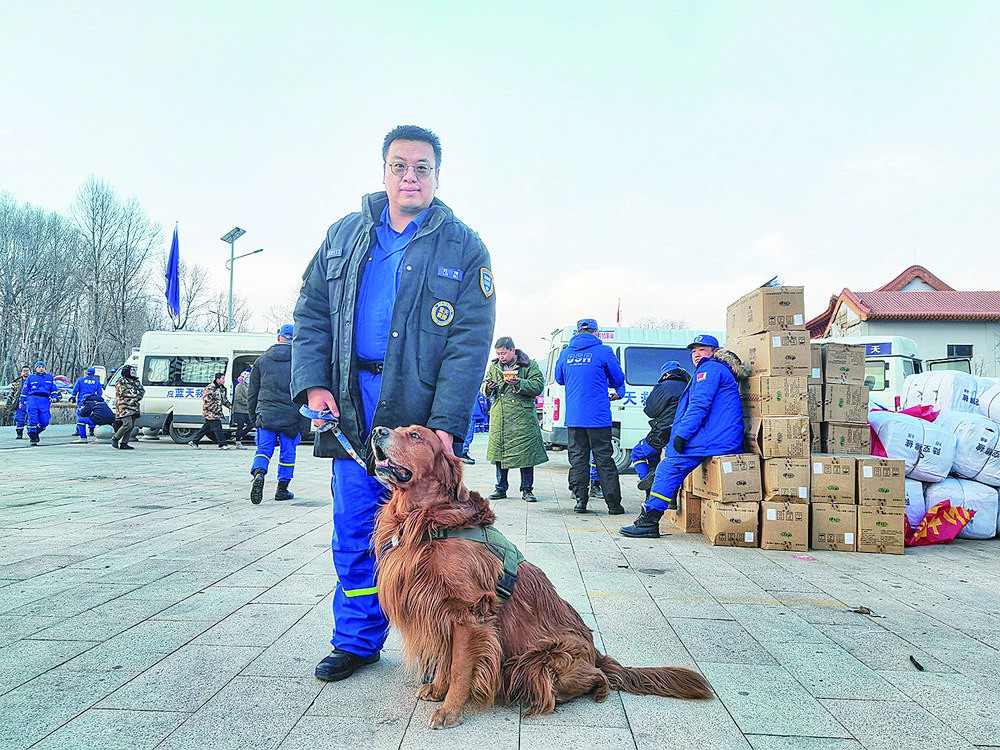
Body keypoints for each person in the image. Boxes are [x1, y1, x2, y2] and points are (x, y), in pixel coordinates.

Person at [292, 124, 495, 683]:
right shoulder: (344, 235)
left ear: (437, 176)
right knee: (355, 530)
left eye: (422, 168)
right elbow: (311, 312)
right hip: (351, 406)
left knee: (430, 537)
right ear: (384, 171)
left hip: (417, 415)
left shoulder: (463, 245)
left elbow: (469, 341)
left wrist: (446, 423)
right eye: (400, 166)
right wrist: (314, 383)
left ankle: (435, 645)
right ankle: (357, 641)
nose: (410, 176)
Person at [620, 335, 744, 539]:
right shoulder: (718, 370)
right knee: (668, 466)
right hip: (719, 437)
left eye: (702, 350)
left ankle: (649, 521)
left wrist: (681, 435)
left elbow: (699, 405)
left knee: (668, 467)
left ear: (714, 351)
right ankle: (659, 506)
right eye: (694, 351)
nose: (697, 354)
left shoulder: (709, 369)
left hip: (713, 440)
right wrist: (674, 430)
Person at [554, 319, 626, 515]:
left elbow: (559, 379)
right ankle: (613, 505)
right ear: (596, 333)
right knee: (604, 459)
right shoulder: (604, 351)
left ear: (577, 333)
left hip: (574, 418)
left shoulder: (566, 353)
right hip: (598, 418)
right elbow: (618, 379)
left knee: (578, 459)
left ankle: (580, 501)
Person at [481, 336, 548, 503]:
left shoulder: (529, 365)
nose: (501, 357)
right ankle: (500, 487)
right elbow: (484, 388)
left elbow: (538, 386)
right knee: (499, 453)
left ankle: (527, 489)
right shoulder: (494, 366)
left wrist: (519, 383)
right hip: (501, 415)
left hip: (522, 416)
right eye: (498, 353)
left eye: (504, 353)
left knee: (527, 453)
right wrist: (488, 387)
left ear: (512, 350)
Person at [248, 325, 306, 504]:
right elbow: (305, 393)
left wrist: (253, 417)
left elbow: (252, 392)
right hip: (291, 416)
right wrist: (304, 424)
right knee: (288, 452)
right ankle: (282, 489)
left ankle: (259, 473)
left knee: (263, 449)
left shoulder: (261, 360)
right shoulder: (300, 361)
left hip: (266, 414)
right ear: (294, 339)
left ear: (278, 337)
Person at [632, 360, 691, 495]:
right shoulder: (690, 385)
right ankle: (653, 477)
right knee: (656, 457)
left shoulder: (665, 386)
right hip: (682, 433)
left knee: (637, 453)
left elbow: (650, 411)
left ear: (666, 374)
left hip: (662, 433)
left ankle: (648, 485)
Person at [187, 373, 232, 449]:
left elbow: (223, 400)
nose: (224, 380)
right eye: (222, 378)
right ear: (217, 379)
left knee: (206, 428)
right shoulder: (210, 388)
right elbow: (207, 400)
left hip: (217, 412)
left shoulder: (222, 388)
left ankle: (194, 441)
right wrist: (214, 408)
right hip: (210, 412)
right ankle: (222, 444)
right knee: (218, 427)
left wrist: (229, 406)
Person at [23, 361, 59, 446]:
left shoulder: (49, 378)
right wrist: (22, 401)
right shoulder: (30, 378)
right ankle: (32, 436)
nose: (41, 369)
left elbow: (54, 389)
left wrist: (55, 397)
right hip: (33, 399)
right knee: (33, 420)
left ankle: (35, 433)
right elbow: (24, 391)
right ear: (36, 368)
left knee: (45, 421)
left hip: (45, 401)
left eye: (42, 367)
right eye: (39, 367)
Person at [113, 365, 145, 450]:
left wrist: (136, 396)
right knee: (127, 424)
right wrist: (135, 394)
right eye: (131, 370)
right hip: (124, 406)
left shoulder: (135, 381)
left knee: (131, 426)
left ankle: (124, 443)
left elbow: (141, 391)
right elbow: (124, 392)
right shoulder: (121, 381)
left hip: (134, 406)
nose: (133, 372)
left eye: (133, 370)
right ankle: (115, 438)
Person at [71, 367, 103, 442]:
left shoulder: (81, 380)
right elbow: (100, 393)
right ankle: (91, 429)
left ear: (86, 373)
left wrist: (73, 397)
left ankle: (78, 429)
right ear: (93, 374)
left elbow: (75, 390)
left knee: (81, 414)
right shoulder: (96, 382)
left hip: (82, 401)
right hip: (92, 401)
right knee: (91, 414)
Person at [3, 365, 30, 439]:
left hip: (31, 403)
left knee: (31, 419)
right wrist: (8, 404)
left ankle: (32, 434)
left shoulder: (33, 381)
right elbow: (11, 394)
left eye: (27, 371)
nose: (26, 372)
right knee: (19, 418)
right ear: (21, 372)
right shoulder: (16, 382)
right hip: (19, 403)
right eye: (24, 371)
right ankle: (19, 433)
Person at [231, 369, 253, 449]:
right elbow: (238, 398)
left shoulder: (249, 386)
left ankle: (239, 436)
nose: (249, 378)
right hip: (239, 410)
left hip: (247, 410)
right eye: (247, 377)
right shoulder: (239, 386)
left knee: (251, 425)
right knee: (240, 426)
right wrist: (249, 403)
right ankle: (238, 441)